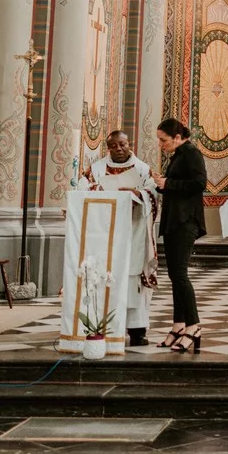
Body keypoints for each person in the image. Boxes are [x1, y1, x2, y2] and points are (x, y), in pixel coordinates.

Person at [79, 130, 158, 347]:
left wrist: (136, 194)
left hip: (134, 230)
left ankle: (137, 331)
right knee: (106, 277)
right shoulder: (95, 169)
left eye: (123, 144)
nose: (119, 149)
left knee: (133, 280)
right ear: (108, 148)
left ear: (128, 143)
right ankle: (104, 328)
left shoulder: (142, 169)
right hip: (106, 231)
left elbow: (153, 193)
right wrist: (98, 190)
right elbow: (82, 189)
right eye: (114, 146)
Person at [154, 119, 207, 353]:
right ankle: (178, 325)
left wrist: (169, 183)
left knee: (181, 275)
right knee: (175, 276)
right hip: (175, 219)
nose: (160, 144)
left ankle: (194, 326)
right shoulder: (179, 154)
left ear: (177, 136)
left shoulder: (191, 153)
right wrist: (161, 184)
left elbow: (199, 183)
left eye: (163, 140)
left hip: (186, 221)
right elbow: (176, 185)